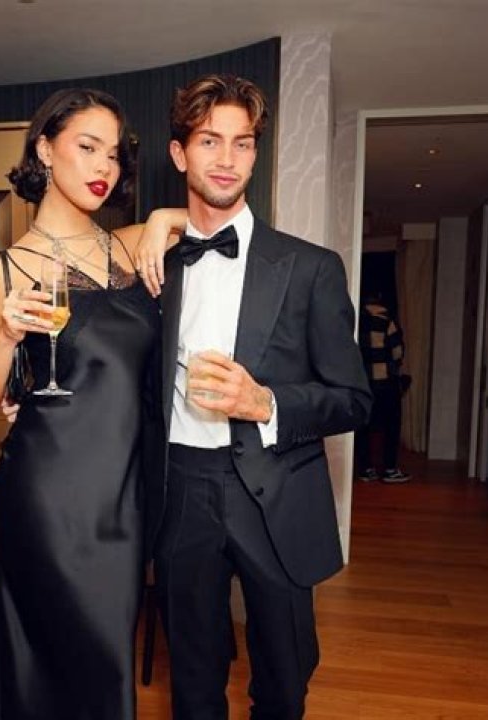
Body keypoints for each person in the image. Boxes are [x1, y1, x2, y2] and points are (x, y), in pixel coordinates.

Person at [136, 74, 372, 719]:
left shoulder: (311, 267)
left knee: (284, 677)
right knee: (192, 678)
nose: (227, 159)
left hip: (276, 489)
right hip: (180, 490)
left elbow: (355, 399)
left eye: (242, 143)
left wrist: (266, 403)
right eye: (209, 141)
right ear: (179, 153)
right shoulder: (153, 264)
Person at [0, 87, 183, 720]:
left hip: (126, 496)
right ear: (45, 150)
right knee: (63, 661)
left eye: (113, 153)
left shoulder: (132, 248)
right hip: (47, 497)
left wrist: (164, 217)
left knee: (106, 656)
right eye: (87, 147)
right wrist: (7, 335)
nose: (103, 166)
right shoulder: (1, 271)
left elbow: (215, 219)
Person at [355, 290, 411, 483]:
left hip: (363, 382)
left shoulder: (357, 322)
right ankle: (389, 469)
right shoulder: (387, 321)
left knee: (364, 426)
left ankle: (366, 468)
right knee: (392, 425)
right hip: (386, 382)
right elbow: (397, 352)